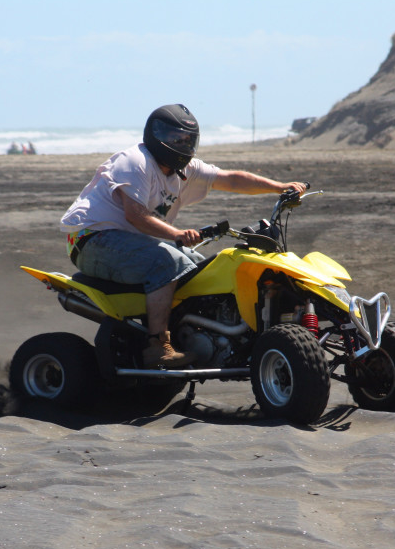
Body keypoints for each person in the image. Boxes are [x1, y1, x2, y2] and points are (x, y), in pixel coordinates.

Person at [60, 104, 307, 368]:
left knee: (198, 267)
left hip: (133, 243)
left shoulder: (187, 170)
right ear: (156, 136)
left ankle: (194, 334)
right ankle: (158, 346)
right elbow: (136, 215)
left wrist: (279, 187)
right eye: (176, 138)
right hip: (91, 239)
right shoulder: (135, 162)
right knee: (166, 263)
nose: (183, 144)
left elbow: (232, 179)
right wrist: (176, 234)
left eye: (188, 139)